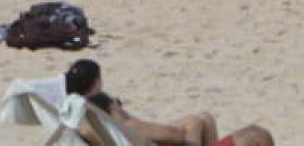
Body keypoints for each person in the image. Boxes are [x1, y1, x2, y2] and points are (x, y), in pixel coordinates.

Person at [63, 59, 271, 146]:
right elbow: (175, 135)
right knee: (258, 134)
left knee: (204, 119)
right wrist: (121, 112)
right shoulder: (124, 125)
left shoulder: (84, 125)